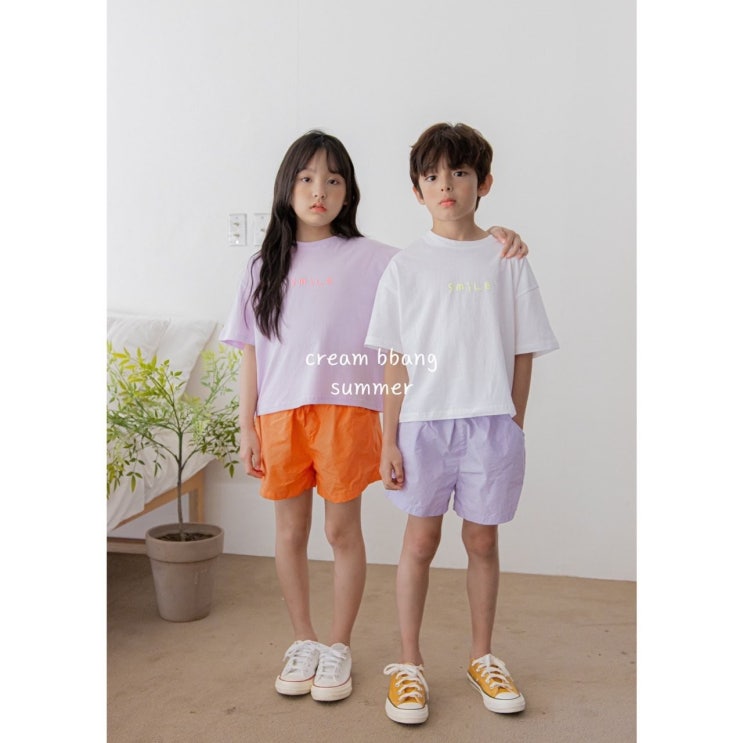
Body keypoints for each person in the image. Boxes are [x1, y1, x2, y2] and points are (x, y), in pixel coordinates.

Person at [220, 129, 529, 704]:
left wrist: (501, 236)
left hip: (346, 414)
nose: (319, 191)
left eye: (333, 180)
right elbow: (250, 354)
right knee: (289, 532)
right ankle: (304, 639)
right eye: (306, 179)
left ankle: (339, 645)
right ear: (286, 186)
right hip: (280, 415)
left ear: (349, 191)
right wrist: (247, 425)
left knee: (341, 531)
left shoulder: (378, 259)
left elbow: (446, 252)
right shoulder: (262, 266)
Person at [365, 122, 559, 724]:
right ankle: (409, 664)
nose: (445, 185)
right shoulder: (405, 267)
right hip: (423, 425)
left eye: (459, 172)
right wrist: (388, 439)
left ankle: (483, 656)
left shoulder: (508, 258)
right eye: (431, 176)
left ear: (484, 183)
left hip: (490, 425)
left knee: (482, 541)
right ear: (416, 191)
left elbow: (523, 350)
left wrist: (513, 423)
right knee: (419, 542)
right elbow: (394, 359)